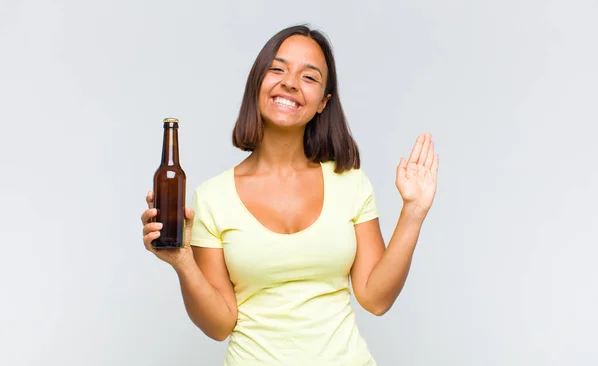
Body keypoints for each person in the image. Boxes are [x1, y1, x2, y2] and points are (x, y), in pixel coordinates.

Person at [141, 24, 439, 365]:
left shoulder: (350, 183)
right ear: (258, 84)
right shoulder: (212, 197)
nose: (290, 83)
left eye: (309, 77)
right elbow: (220, 324)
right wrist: (182, 262)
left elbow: (376, 298)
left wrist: (413, 211)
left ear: (323, 103)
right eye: (277, 69)